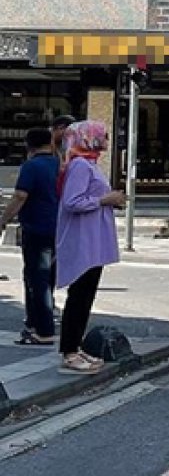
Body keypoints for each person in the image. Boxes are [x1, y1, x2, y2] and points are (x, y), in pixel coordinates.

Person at [55, 121, 126, 374]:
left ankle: (75, 346)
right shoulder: (80, 166)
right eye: (102, 135)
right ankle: (69, 351)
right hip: (83, 239)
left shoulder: (89, 164)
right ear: (88, 138)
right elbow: (73, 201)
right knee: (79, 295)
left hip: (93, 238)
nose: (107, 138)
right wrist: (106, 199)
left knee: (86, 295)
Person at [0, 128, 61, 345]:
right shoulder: (60, 165)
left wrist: (3, 219)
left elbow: (20, 195)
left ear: (29, 146)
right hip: (58, 228)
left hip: (37, 228)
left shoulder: (31, 166)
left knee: (37, 279)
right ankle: (37, 324)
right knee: (47, 278)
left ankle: (42, 330)